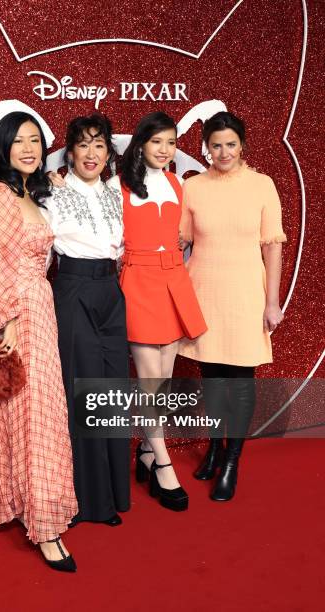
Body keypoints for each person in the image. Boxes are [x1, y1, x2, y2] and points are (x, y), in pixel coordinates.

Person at [0, 105, 78, 572]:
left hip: (42, 307)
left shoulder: (34, 196)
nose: (29, 148)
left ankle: (45, 506)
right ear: (3, 147)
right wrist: (9, 324)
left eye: (35, 140)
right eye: (19, 140)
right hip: (15, 314)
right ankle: (45, 527)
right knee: (27, 414)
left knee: (44, 413)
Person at [179, 111, 286, 501]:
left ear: (242, 145)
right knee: (212, 378)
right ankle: (214, 446)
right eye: (216, 145)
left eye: (231, 144)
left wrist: (272, 302)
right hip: (204, 291)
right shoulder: (194, 188)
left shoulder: (262, 185)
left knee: (240, 382)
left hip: (245, 294)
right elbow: (180, 243)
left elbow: (272, 245)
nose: (223, 152)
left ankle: (231, 462)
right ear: (205, 147)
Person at [107, 112, 207, 511]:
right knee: (150, 381)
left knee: (162, 381)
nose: (165, 150)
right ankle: (163, 463)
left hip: (173, 282)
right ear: (141, 145)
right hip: (139, 282)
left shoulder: (177, 184)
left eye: (171, 142)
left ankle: (147, 453)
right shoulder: (118, 186)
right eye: (157, 142)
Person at [44, 114, 130, 526]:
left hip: (112, 292)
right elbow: (41, 255)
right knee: (85, 392)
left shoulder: (116, 191)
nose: (91, 153)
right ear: (70, 152)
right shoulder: (53, 195)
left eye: (99, 145)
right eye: (83, 145)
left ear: (109, 152)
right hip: (73, 289)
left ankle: (113, 490)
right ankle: (88, 502)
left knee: (113, 390)